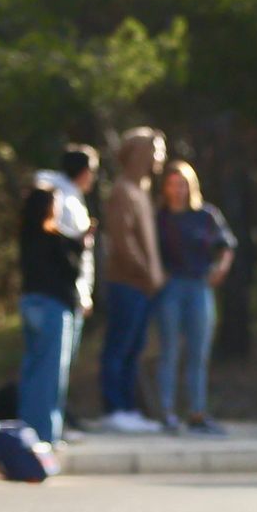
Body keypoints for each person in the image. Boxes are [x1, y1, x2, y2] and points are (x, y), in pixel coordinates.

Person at [19, 145, 98, 447]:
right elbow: (69, 265)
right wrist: (81, 243)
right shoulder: (54, 237)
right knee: (51, 374)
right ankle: (44, 436)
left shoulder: (28, 236)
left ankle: (28, 431)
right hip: (54, 303)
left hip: (30, 301)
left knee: (33, 369)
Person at [154, 161, 237, 436]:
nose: (177, 191)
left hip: (199, 284)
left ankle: (197, 412)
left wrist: (221, 268)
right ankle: (166, 412)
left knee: (198, 351)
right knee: (169, 350)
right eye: (173, 185)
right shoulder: (160, 218)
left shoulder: (206, 215)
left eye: (182, 185)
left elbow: (226, 245)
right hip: (171, 287)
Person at [99, 127, 166, 433]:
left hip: (143, 286)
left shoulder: (142, 191)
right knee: (119, 346)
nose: (159, 157)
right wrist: (146, 270)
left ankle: (128, 407)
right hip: (126, 283)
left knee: (134, 348)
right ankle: (114, 408)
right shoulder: (123, 191)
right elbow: (122, 240)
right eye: (154, 151)